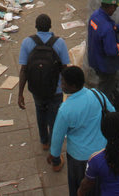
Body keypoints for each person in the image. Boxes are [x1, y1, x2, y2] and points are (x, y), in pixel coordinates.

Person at [49, 66, 115, 196]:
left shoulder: (65, 109)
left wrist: (54, 155)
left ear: (72, 86)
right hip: (103, 151)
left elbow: (58, 136)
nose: (61, 85)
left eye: (63, 82)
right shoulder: (97, 95)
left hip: (79, 158)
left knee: (79, 187)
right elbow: (113, 114)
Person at [18, 14, 70, 151]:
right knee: (54, 119)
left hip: (36, 89)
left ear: (36, 27)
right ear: (50, 26)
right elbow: (65, 68)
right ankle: (55, 153)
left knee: (40, 114)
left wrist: (20, 94)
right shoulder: (59, 43)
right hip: (56, 89)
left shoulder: (27, 42)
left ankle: (44, 141)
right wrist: (68, 88)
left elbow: (23, 70)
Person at [88, 0, 119, 112]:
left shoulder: (95, 16)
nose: (115, 10)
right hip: (106, 64)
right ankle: (105, 112)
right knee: (105, 89)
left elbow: (105, 29)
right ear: (110, 7)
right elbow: (112, 51)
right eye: (115, 8)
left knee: (104, 84)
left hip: (95, 58)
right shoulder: (107, 28)